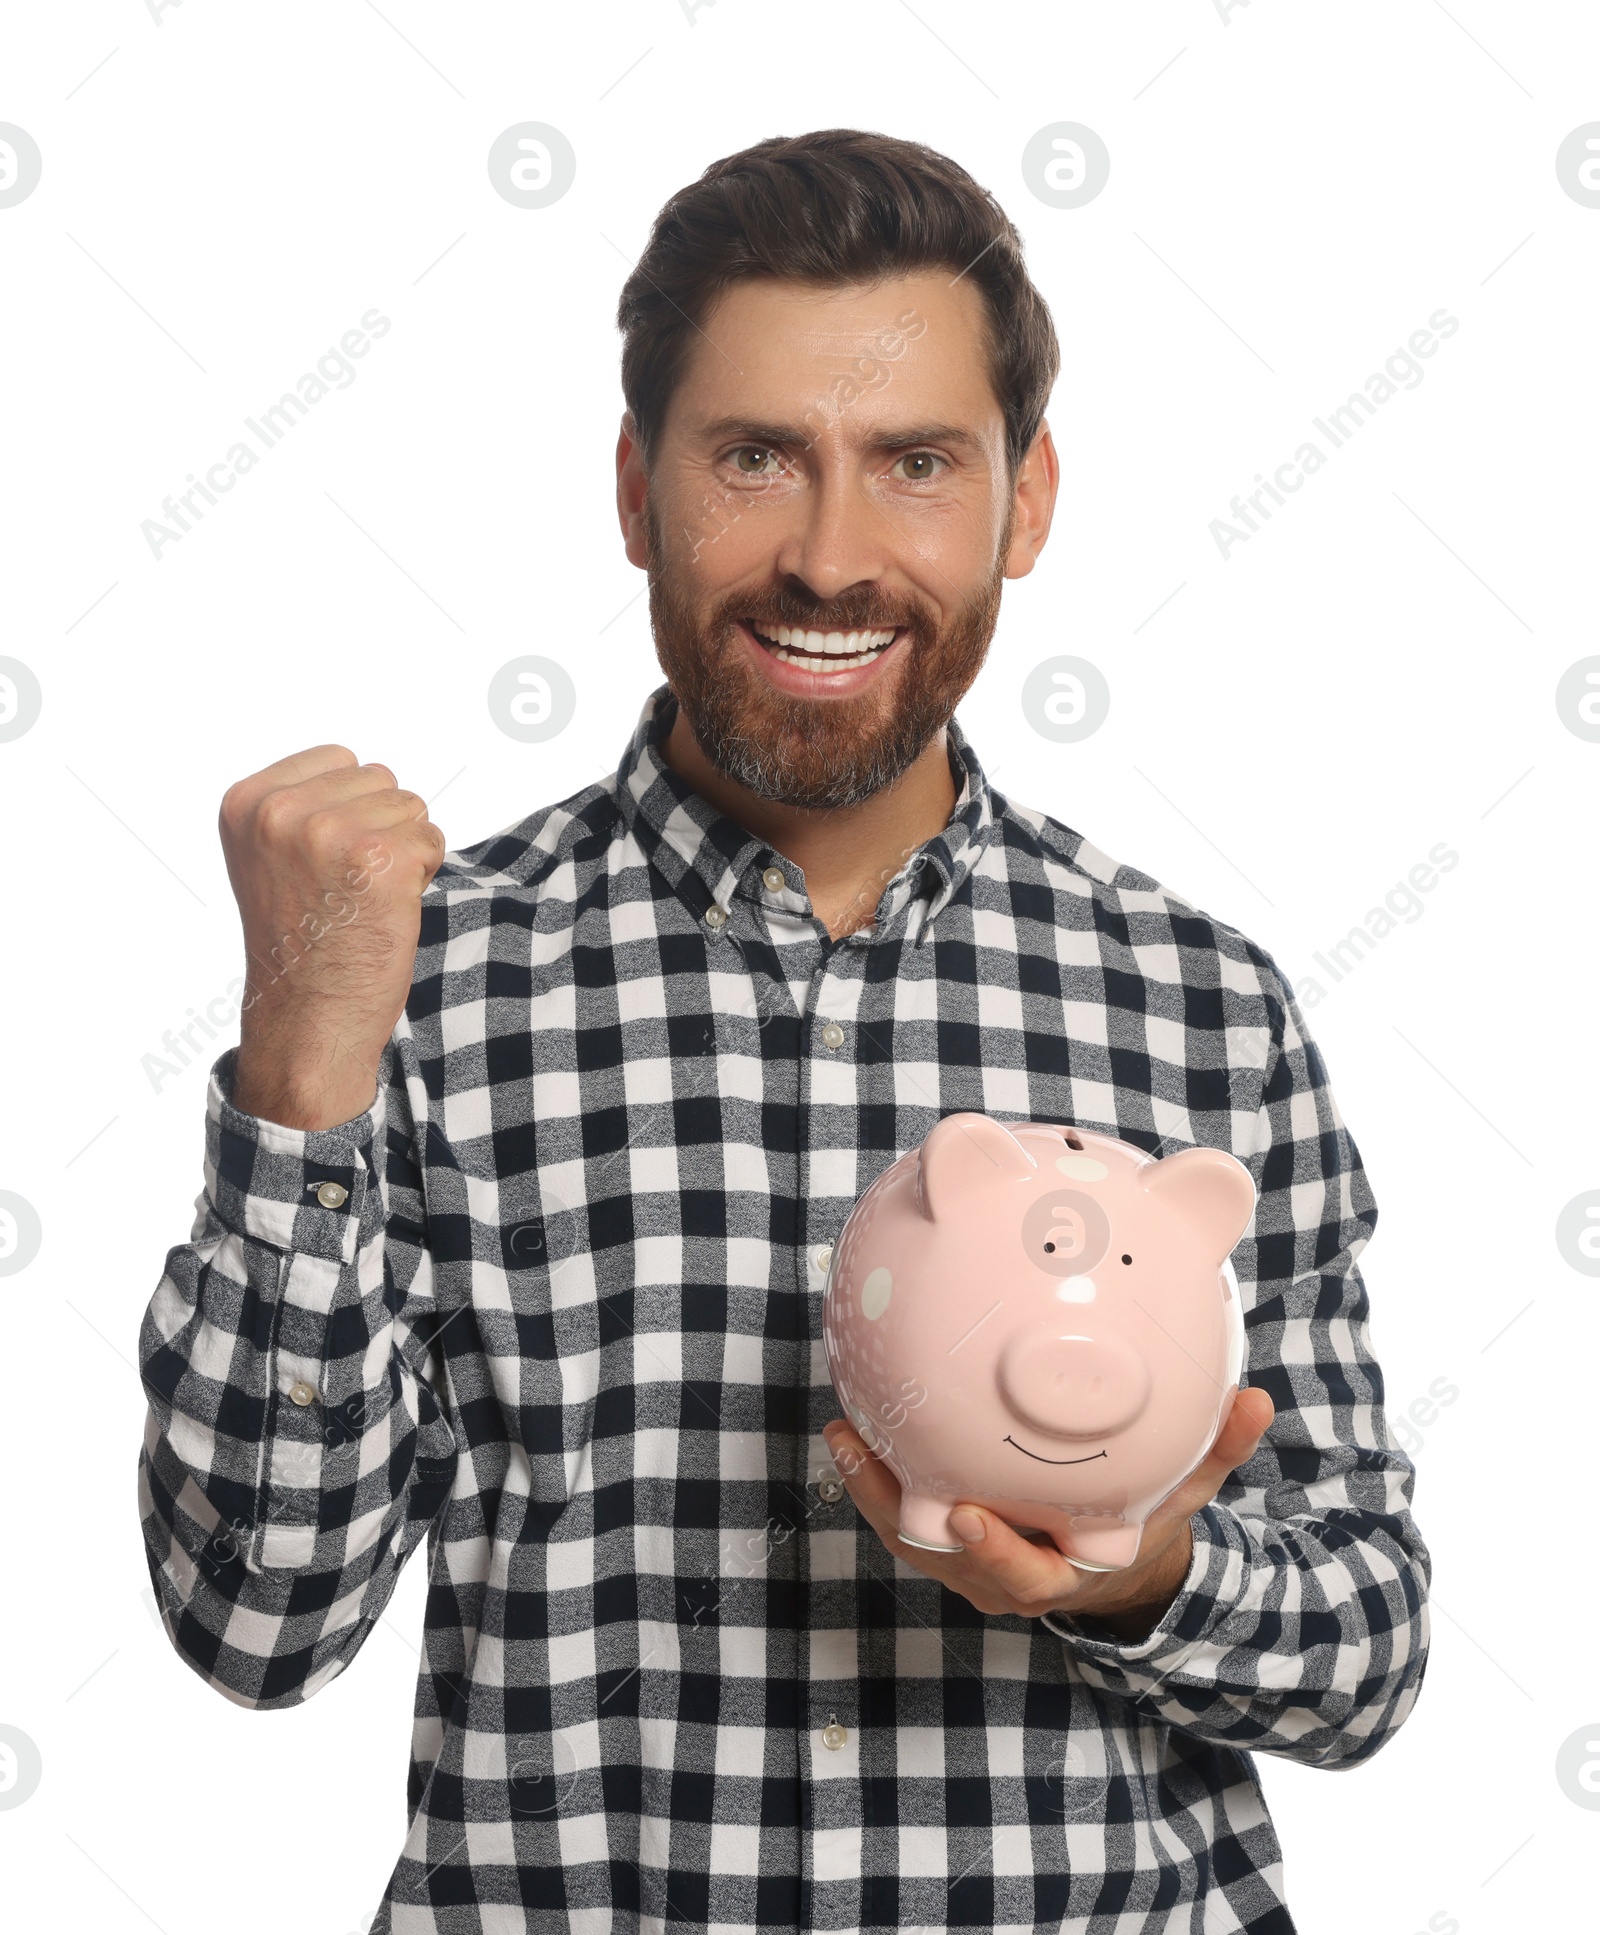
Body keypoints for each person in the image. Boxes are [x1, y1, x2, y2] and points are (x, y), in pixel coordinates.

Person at [137, 128, 1429, 1935]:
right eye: (756, 458)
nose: (833, 557)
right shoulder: (424, 981)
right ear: (634, 490)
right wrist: (297, 1069)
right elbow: (257, 1627)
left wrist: (1140, 1581)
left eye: (916, 464)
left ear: (1026, 499)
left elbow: (1364, 1652)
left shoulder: (1201, 1004)